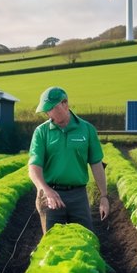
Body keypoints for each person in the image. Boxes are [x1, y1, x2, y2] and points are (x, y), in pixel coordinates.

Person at [28, 86, 109, 233]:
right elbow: (34, 167)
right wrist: (45, 189)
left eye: (51, 108)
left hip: (78, 196)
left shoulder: (87, 129)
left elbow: (96, 164)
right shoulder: (41, 132)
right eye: (46, 110)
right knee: (52, 243)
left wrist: (103, 196)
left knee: (85, 238)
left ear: (65, 104)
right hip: (51, 195)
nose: (48, 113)